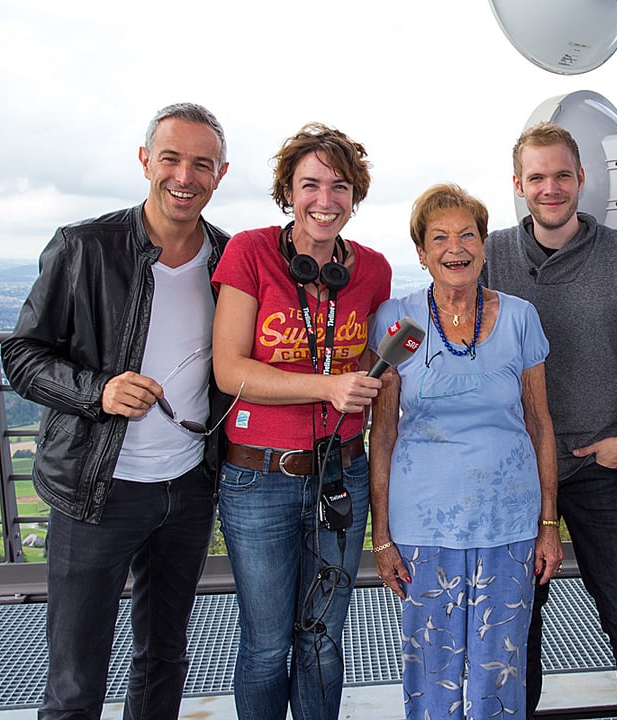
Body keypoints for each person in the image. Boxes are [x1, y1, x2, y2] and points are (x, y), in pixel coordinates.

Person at [0, 103, 230, 719]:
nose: (185, 176)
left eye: (201, 164)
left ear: (221, 174)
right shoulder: (83, 247)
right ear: (145, 162)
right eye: (172, 158)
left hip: (186, 490)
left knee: (164, 662)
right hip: (96, 491)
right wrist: (96, 391)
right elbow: (21, 357)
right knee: (76, 681)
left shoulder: (230, 262)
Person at [483, 121, 617, 720]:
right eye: (536, 176)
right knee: (517, 623)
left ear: (582, 179)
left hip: (602, 465)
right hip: (517, 469)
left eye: (562, 174)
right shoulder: (488, 255)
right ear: (518, 184)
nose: (551, 187)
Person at [211, 122, 391, 720]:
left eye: (339, 186)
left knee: (322, 640)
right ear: (287, 191)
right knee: (266, 645)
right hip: (258, 479)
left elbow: (366, 360)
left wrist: (376, 373)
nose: (324, 199)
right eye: (310, 184)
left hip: (341, 475)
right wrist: (327, 386)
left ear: (354, 196)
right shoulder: (250, 251)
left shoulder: (372, 269)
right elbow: (229, 370)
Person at [368, 183, 562, 719]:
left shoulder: (520, 318)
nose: (455, 248)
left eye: (467, 235)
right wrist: (380, 537)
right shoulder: (399, 321)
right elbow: (381, 432)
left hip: (510, 521)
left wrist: (550, 523)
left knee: (500, 671)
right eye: (440, 238)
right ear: (422, 252)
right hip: (424, 525)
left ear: (483, 244)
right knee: (430, 668)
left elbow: (540, 423)